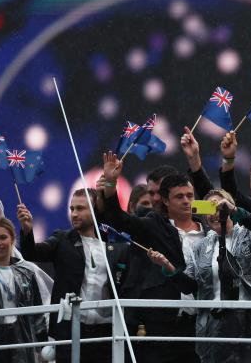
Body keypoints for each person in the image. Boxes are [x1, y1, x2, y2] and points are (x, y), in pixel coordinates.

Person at [98, 152, 198, 363]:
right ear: (166, 199)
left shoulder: (208, 227)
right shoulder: (153, 225)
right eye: (180, 197)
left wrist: (196, 160)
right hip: (164, 324)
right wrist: (110, 183)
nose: (187, 201)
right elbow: (118, 219)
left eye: (190, 196)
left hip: (204, 322)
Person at [17, 188, 129, 363]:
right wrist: (27, 230)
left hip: (107, 330)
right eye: (72, 209)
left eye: (80, 208)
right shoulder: (62, 239)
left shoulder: (116, 243)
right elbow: (32, 254)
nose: (74, 214)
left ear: (95, 210)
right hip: (70, 330)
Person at [178, 189, 251, 363]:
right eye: (209, 208)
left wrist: (235, 211)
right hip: (215, 323)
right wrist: (168, 269)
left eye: (219, 206)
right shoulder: (202, 247)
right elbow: (190, 285)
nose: (215, 213)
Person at [0, 217, 47, 363]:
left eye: (3, 237)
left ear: (12, 239)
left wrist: (42, 346)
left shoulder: (26, 272)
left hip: (22, 346)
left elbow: (37, 313)